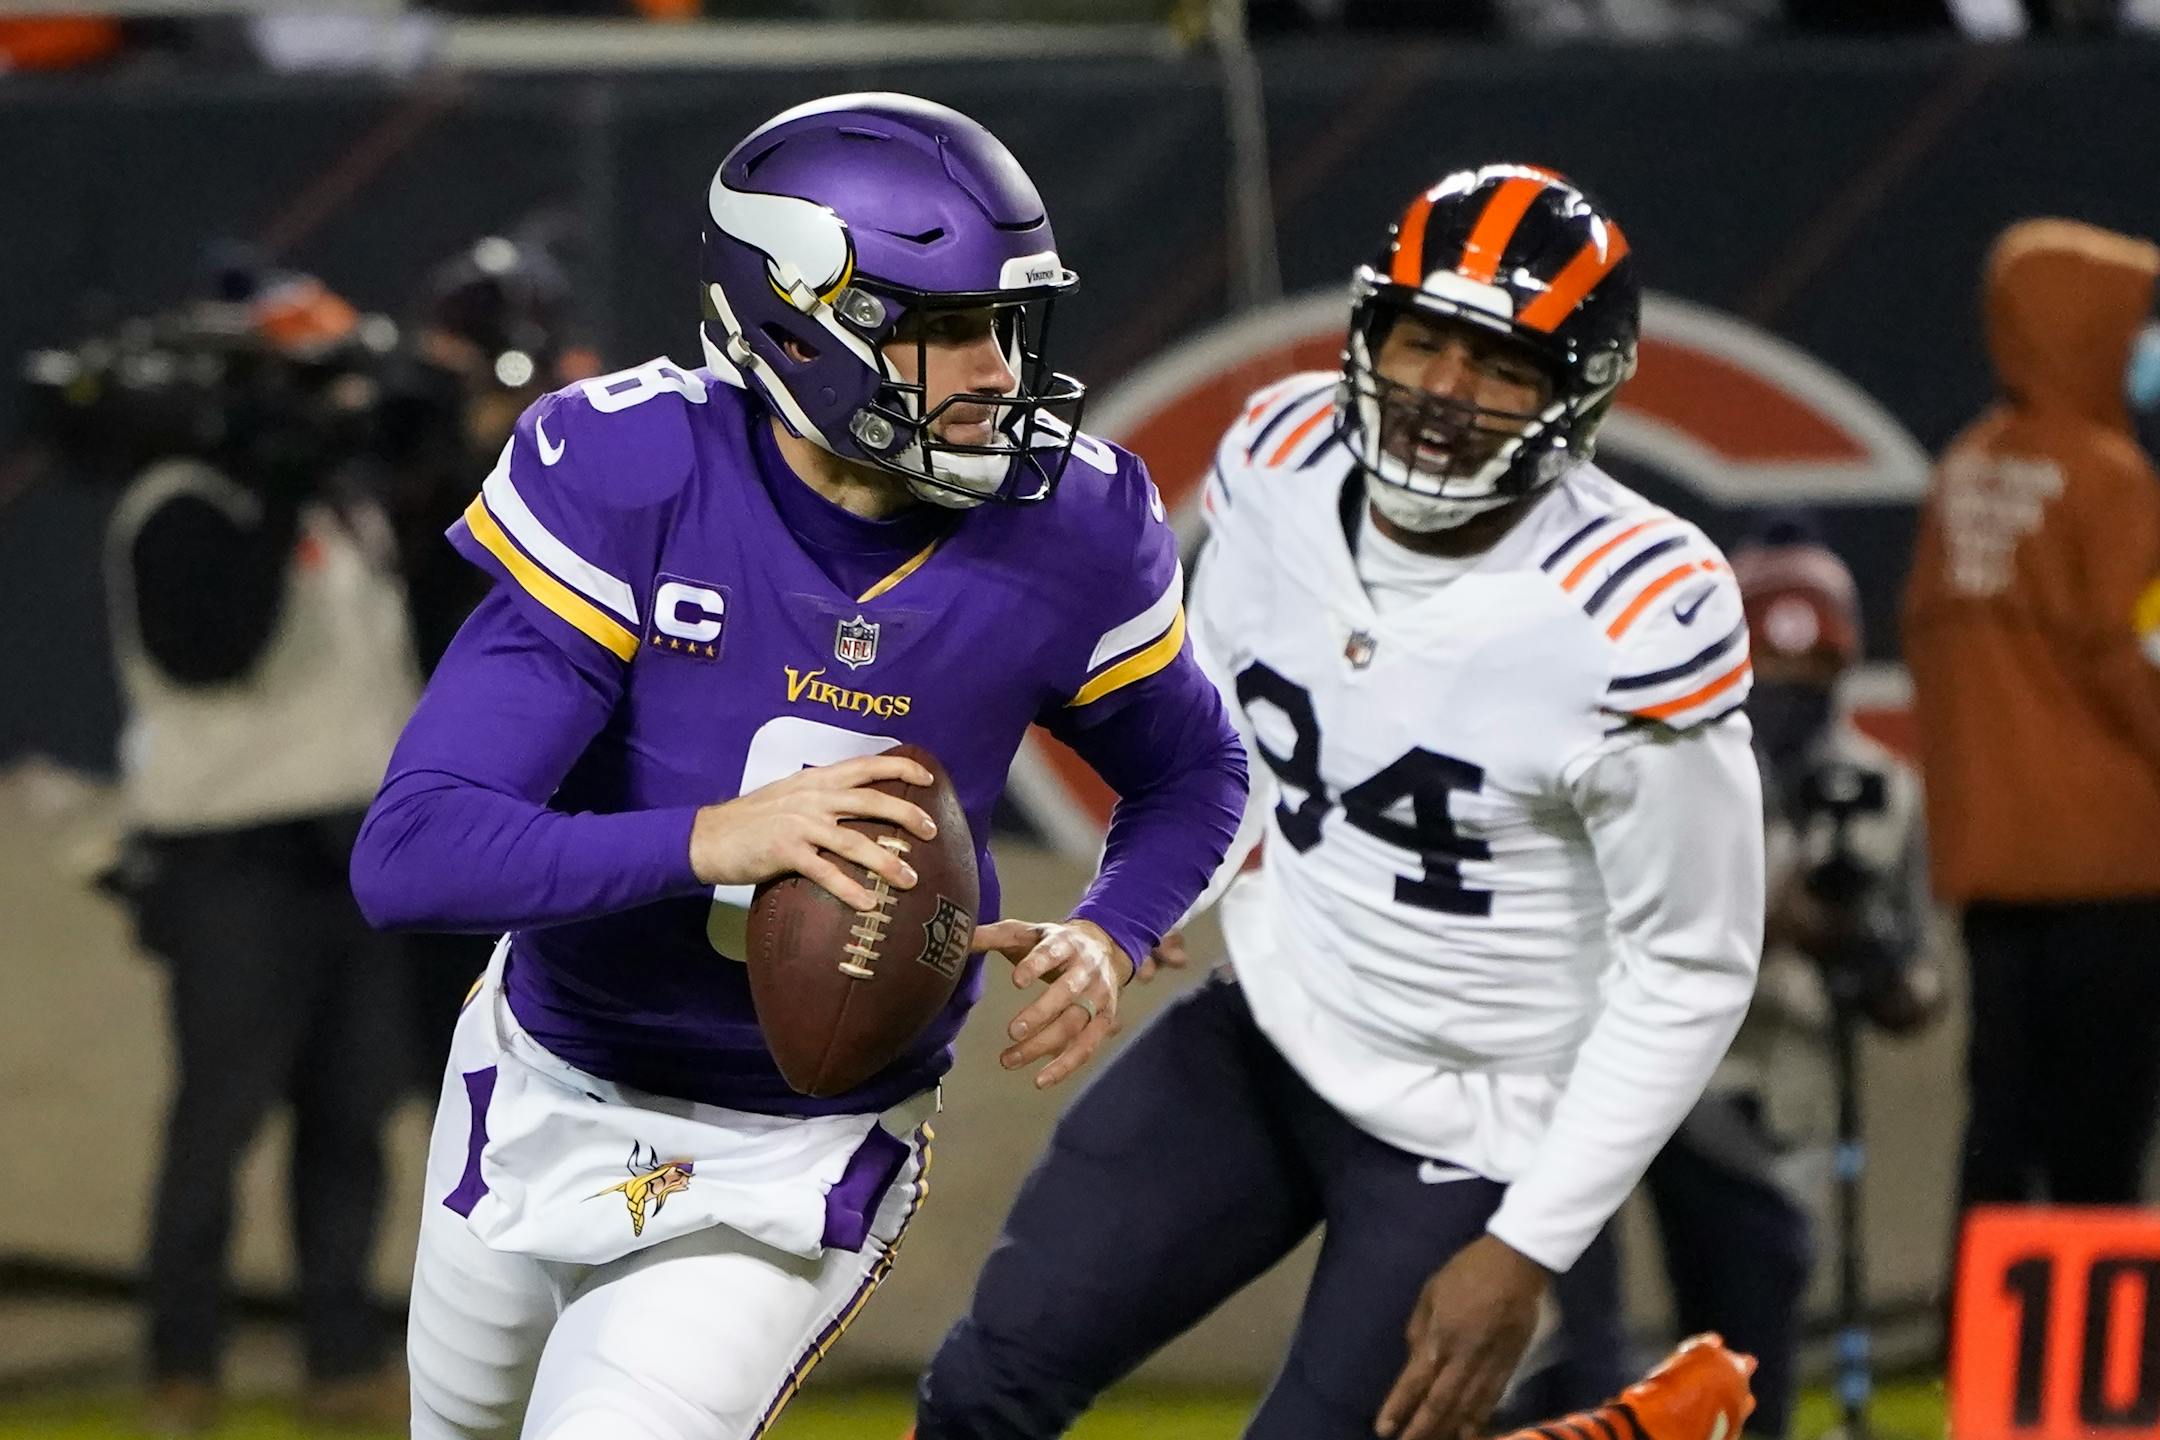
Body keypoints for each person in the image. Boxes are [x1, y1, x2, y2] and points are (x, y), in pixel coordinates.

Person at [348, 92, 1247, 1440]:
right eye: (940, 328)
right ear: (793, 320)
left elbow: (1193, 775)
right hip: (542, 1081)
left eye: (1004, 322)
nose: (995, 369)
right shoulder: (635, 470)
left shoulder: (1072, 524)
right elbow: (411, 856)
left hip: (793, 1146)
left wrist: (1115, 932)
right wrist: (716, 839)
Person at [914, 163, 1765, 1440]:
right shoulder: (1285, 451)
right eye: (1424, 341)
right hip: (1269, 1028)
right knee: (986, 1385)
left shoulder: (1638, 610)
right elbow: (1228, 748)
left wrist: (1529, 1245)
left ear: (1574, 393)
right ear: (1373, 331)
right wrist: (1134, 916)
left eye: (1500, 363)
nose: (1443, 393)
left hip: (1474, 1124)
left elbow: (1692, 969)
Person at [1519, 525, 1941, 1440]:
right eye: (1775, 679)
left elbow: (1918, 985)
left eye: (1814, 679)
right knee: (1570, 1301)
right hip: (1635, 1061)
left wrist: (1864, 952)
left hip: (1772, 1084)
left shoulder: (1880, 787)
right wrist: (1757, 913)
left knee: (1751, 1298)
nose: (1793, 706)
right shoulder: (1665, 765)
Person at [102, 273, 420, 1434]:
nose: (331, 408)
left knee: (350, 1122)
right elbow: (210, 651)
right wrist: (278, 492)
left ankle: (339, 1361)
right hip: (232, 856)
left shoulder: (345, 504)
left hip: (356, 849)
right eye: (305, 389)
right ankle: (181, 1370)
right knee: (220, 1123)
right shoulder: (175, 502)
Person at [1904, 217, 2160, 1217]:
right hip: (2115, 865)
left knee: (2001, 1125)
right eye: (2132, 322)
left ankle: (1989, 1348)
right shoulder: (2112, 480)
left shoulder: (1961, 472)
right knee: (2102, 1139)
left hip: (1995, 867)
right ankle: (2100, 1360)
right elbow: (2139, 665)